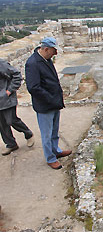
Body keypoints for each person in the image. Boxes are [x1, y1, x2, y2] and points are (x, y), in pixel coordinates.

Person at [25, 37, 71, 169]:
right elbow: (33, 87)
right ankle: (50, 158)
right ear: (46, 49)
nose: (55, 54)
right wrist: (51, 98)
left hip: (54, 102)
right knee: (47, 133)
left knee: (54, 131)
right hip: (45, 105)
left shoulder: (46, 59)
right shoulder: (32, 63)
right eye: (54, 51)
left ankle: (55, 150)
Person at [0, 59, 35, 155]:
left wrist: (9, 91)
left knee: (11, 120)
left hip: (7, 99)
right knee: (2, 125)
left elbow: (16, 75)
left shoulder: (1, 64)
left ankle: (28, 134)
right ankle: (11, 144)